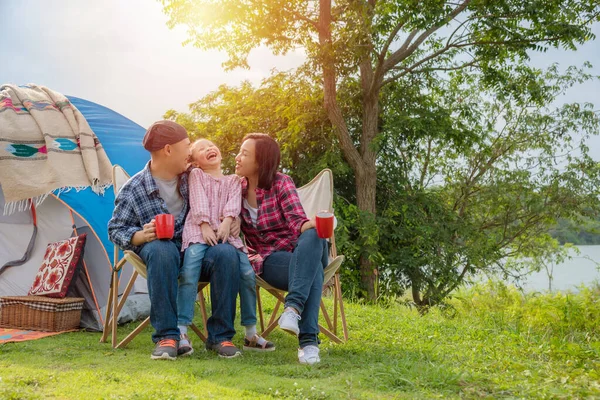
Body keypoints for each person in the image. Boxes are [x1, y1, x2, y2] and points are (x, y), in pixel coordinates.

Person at [108, 120, 241, 360]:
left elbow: (225, 195)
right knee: (161, 249)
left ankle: (221, 336)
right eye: (187, 146)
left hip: (197, 251)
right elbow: (116, 229)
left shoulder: (195, 177)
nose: (190, 152)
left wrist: (233, 220)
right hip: (161, 257)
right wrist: (141, 235)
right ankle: (168, 336)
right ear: (168, 150)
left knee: (226, 253)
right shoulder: (135, 188)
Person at [234, 133, 329, 365]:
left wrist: (320, 224)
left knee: (313, 234)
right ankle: (308, 342)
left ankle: (293, 308)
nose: (237, 157)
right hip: (270, 259)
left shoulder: (281, 182)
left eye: (245, 154)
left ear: (261, 161)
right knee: (313, 270)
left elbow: (298, 223)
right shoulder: (235, 189)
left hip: (299, 248)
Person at [177, 138, 275, 356]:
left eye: (211, 145)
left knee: (248, 276)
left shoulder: (233, 180)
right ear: (196, 162)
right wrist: (204, 225)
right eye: (201, 149)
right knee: (189, 273)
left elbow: (233, 204)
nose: (209, 148)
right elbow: (198, 200)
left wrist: (228, 221)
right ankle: (181, 330)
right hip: (198, 232)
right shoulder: (197, 175)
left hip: (226, 237)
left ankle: (250, 332)